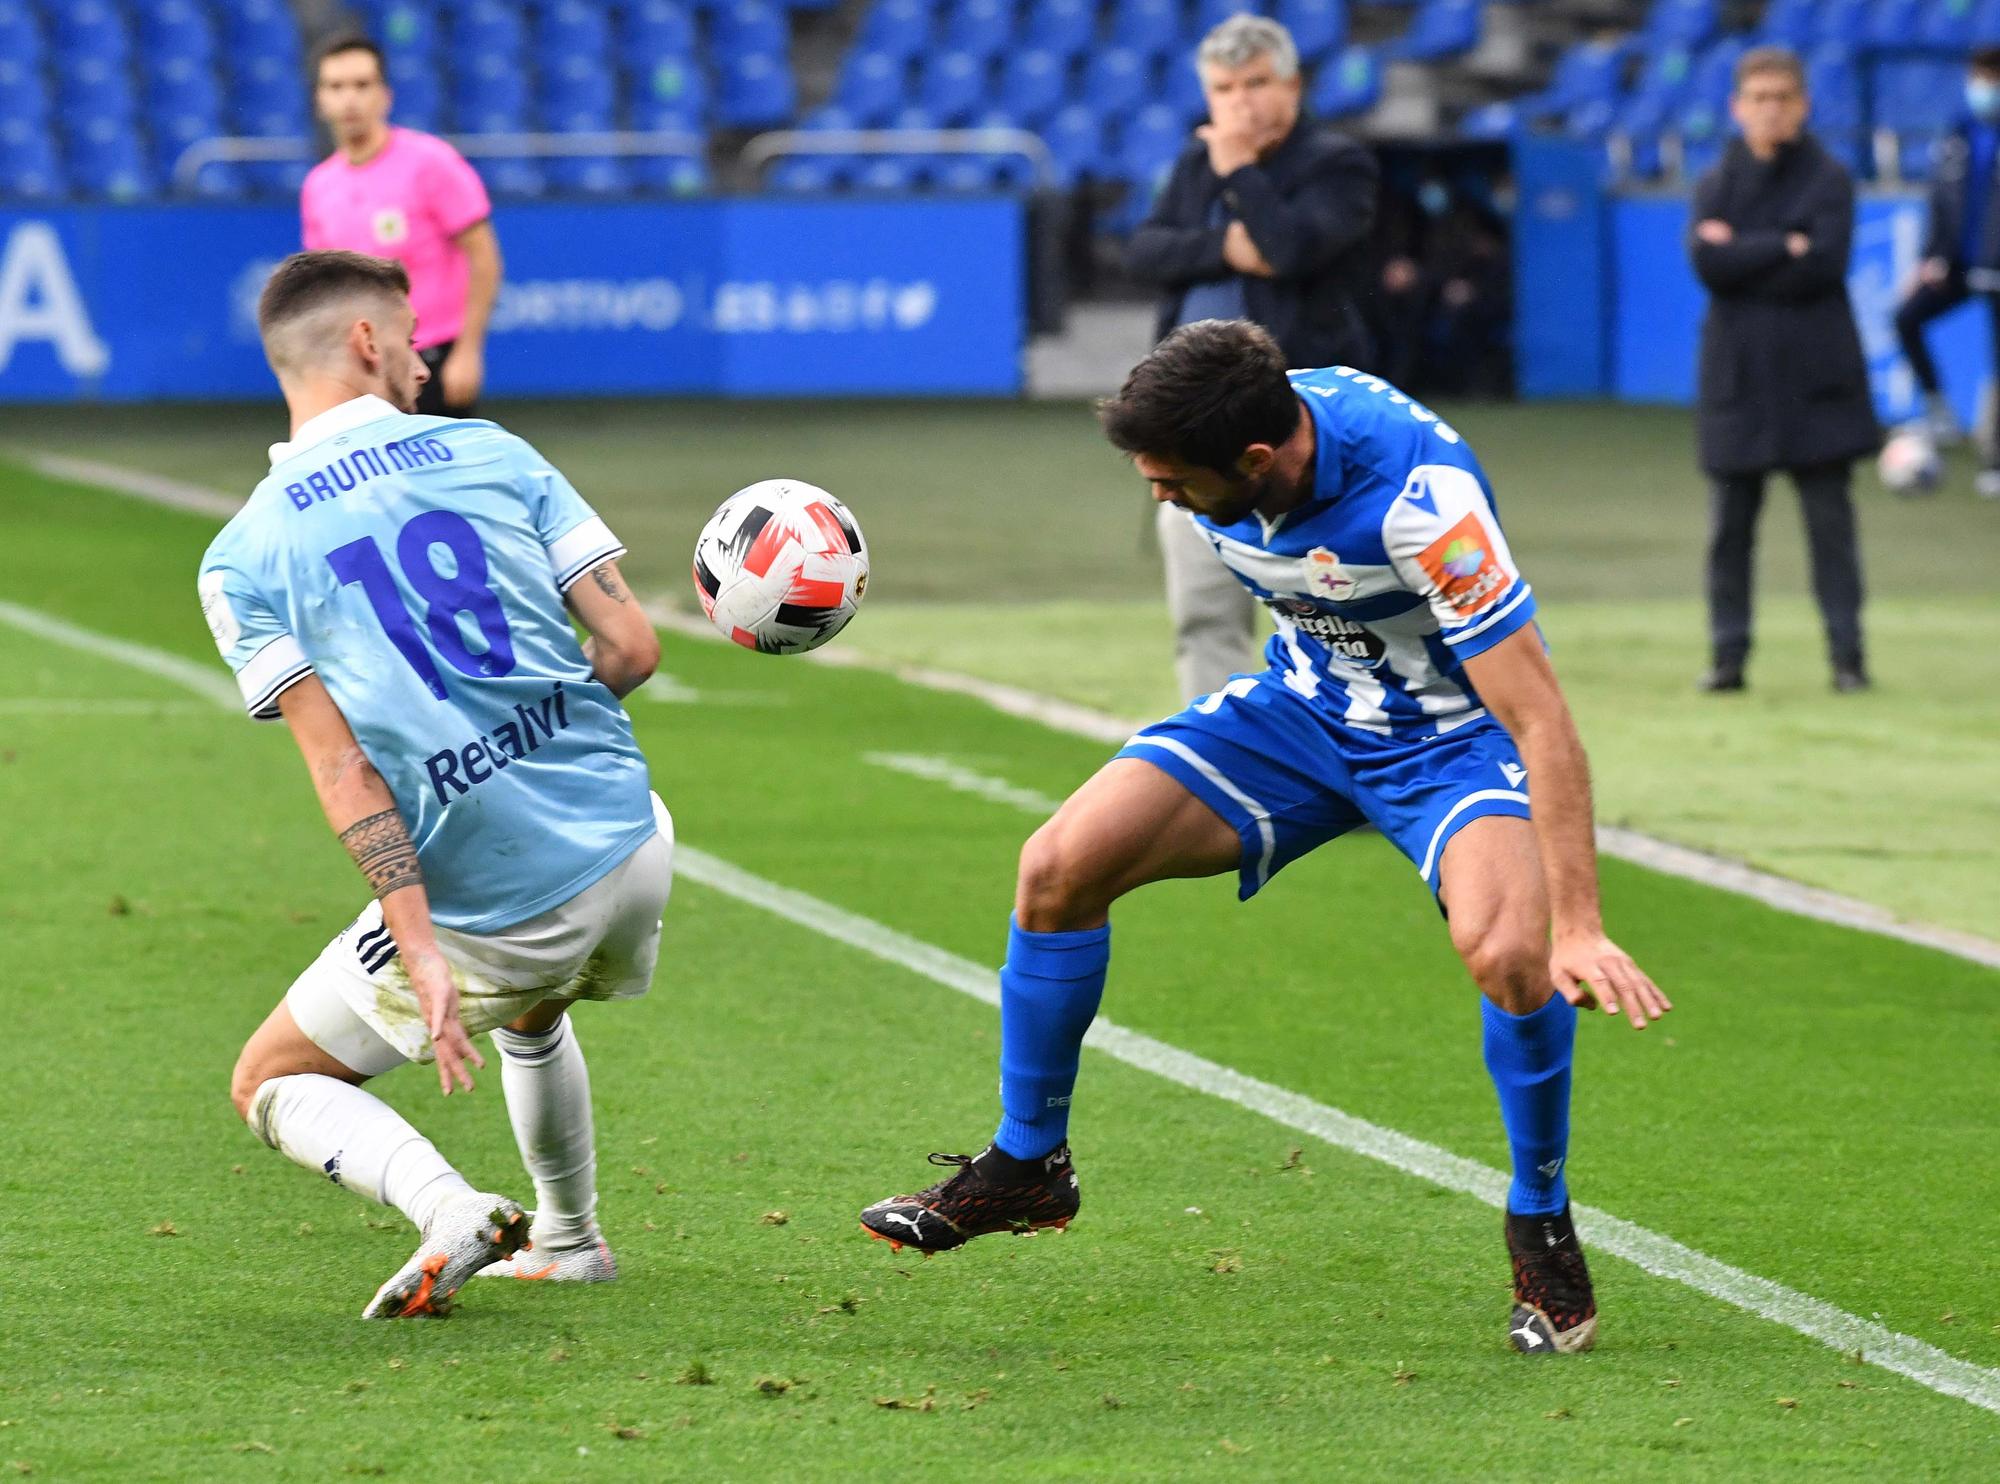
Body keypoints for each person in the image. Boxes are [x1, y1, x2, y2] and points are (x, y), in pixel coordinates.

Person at [859, 320, 1672, 1358]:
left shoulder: (1426, 512)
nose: (1158, 497)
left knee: (1511, 955)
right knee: (1055, 867)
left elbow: (1542, 721)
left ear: (1256, 460)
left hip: (1451, 743)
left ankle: (1539, 1216)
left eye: (1173, 481)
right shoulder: (1238, 430)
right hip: (1301, 714)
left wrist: (1582, 926)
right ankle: (1027, 1166)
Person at [201, 251, 669, 1318]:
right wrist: (533, 740)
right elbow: (633, 648)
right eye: (413, 333)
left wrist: (418, 937)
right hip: (634, 837)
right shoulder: (492, 450)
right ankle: (569, 1236)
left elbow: (341, 764)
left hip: (506, 899)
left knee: (271, 1076)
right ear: (368, 342)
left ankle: (446, 1205)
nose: (426, 354)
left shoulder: (243, 555)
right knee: (533, 1013)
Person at [1125, 15, 1379, 704]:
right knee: (1204, 615)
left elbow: (1295, 249)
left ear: (1292, 85)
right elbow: (1144, 249)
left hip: (1302, 438)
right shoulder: (1190, 164)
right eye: (1224, 88)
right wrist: (1227, 247)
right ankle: (1221, 763)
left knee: (1332, 623)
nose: (1240, 103)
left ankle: (1357, 761)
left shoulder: (1337, 164)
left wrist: (1238, 169)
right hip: (1193, 432)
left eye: (1257, 83)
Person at [1689, 47, 1879, 695]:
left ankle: (1848, 658)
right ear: (1737, 107)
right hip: (1738, 382)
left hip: (1816, 383)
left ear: (1802, 105)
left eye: (1782, 97)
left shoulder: (1829, 179)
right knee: (1729, 533)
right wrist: (1781, 244)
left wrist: (1742, 248)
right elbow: (1708, 267)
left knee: (1831, 530)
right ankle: (1728, 657)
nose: (1770, 109)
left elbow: (1822, 264)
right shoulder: (1715, 182)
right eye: (1758, 98)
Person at [302, 35, 501, 418]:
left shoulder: (430, 163)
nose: (349, 99)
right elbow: (326, 284)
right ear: (320, 100)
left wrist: (468, 350)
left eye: (362, 85)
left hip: (429, 360)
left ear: (385, 96)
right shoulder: (318, 186)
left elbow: (484, 255)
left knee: (440, 478)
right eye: (336, 87)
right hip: (360, 368)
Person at [1893, 46, 2000, 485]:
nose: (1983, 88)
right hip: (1956, 263)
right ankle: (1938, 409)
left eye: (1991, 79)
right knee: (1906, 319)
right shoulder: (1958, 133)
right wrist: (1930, 257)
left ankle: (1994, 462)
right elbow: (1942, 199)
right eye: (1978, 78)